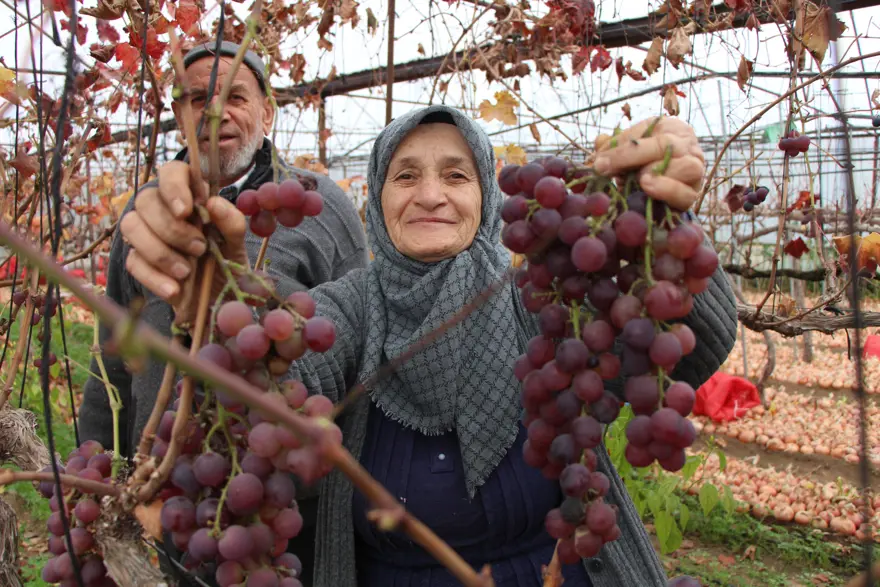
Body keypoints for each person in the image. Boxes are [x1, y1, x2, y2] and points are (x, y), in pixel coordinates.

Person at [114, 104, 738, 587]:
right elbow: (284, 375)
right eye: (406, 175)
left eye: (456, 175)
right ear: (378, 197)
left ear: (486, 197)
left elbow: (690, 350)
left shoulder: (541, 298)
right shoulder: (347, 309)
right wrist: (225, 315)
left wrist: (660, 221)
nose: (431, 195)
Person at [77, 41, 369, 586]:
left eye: (235, 96)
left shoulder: (319, 207)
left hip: (282, 504)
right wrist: (98, 464)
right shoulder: (146, 218)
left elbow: (358, 345)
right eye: (197, 99)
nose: (215, 113)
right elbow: (113, 359)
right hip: (170, 499)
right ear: (179, 116)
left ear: (267, 112)